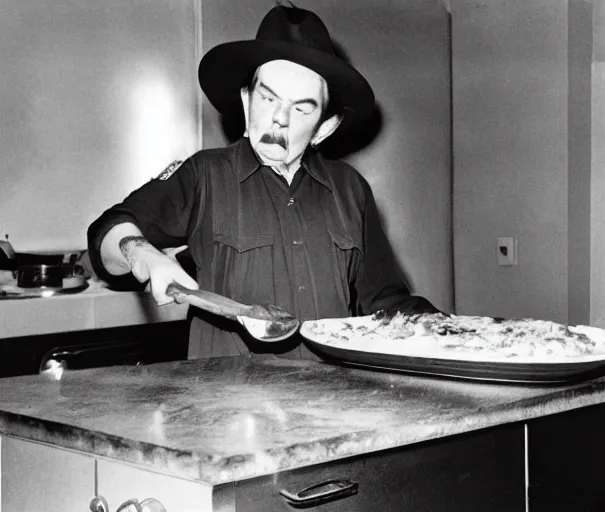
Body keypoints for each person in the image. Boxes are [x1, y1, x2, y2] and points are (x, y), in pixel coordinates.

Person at [87, 5, 441, 360]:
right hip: (228, 408)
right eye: (268, 98)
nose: (279, 120)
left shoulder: (351, 189)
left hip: (331, 406)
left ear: (324, 127)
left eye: (302, 109)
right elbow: (108, 231)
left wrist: (451, 331)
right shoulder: (203, 175)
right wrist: (142, 252)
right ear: (246, 100)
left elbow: (384, 300)